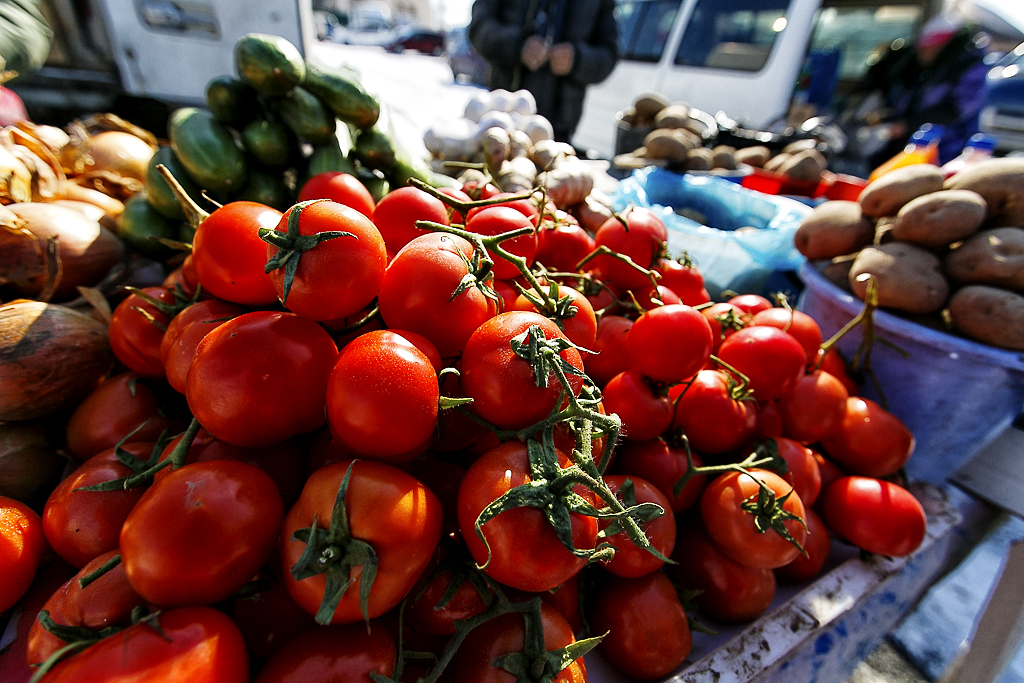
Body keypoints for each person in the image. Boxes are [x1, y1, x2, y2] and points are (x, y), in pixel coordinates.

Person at [845, 13, 989, 169]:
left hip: (945, 152)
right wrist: (887, 118)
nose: (921, 54)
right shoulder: (929, 68)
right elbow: (908, 100)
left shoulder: (968, 67)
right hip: (909, 145)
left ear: (939, 46)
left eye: (925, 49)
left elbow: (955, 111)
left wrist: (907, 125)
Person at [468, 0, 618, 145]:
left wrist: (577, 59)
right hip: (501, 120)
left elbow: (610, 52)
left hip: (560, 129)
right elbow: (478, 27)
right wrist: (517, 46)